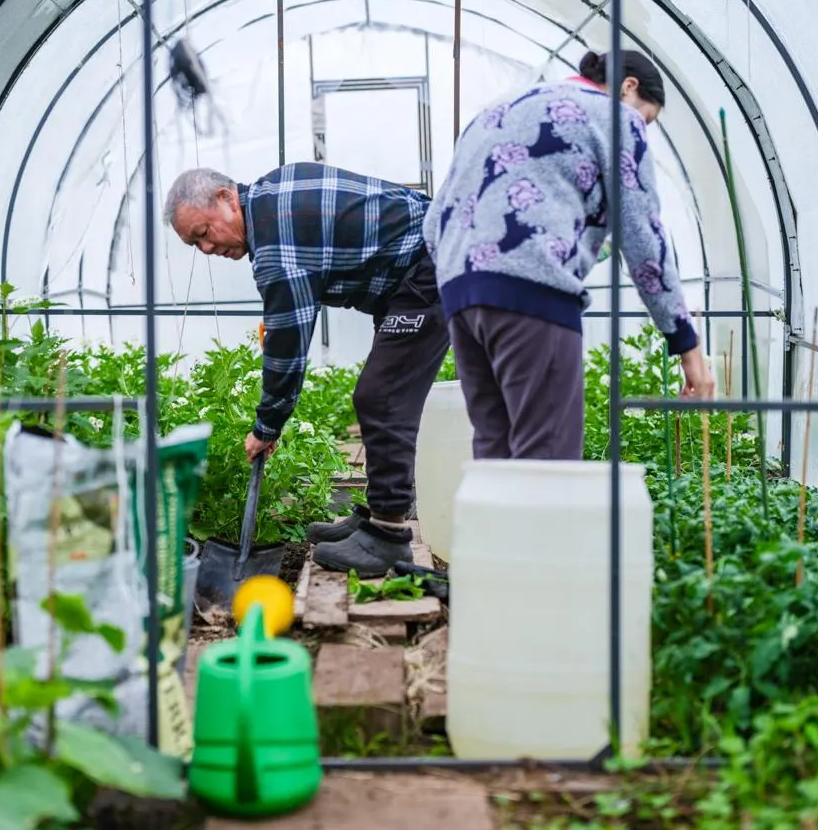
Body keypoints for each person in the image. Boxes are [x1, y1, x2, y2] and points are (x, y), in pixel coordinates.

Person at [423, 50, 715, 460]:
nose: (642, 128)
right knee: (548, 462)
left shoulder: (493, 113)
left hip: (461, 296)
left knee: (496, 454)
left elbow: (434, 222)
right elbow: (642, 237)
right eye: (647, 119)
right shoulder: (616, 118)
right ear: (628, 86)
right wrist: (687, 345)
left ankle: (493, 527)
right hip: (533, 294)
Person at [164, 163, 450, 576]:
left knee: (381, 396)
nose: (207, 250)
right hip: (407, 271)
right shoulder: (272, 196)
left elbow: (288, 343)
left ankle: (388, 538)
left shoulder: (276, 245)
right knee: (381, 393)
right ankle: (378, 513)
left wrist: (267, 426)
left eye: (204, 233)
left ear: (226, 198)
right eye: (195, 245)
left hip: (431, 266)